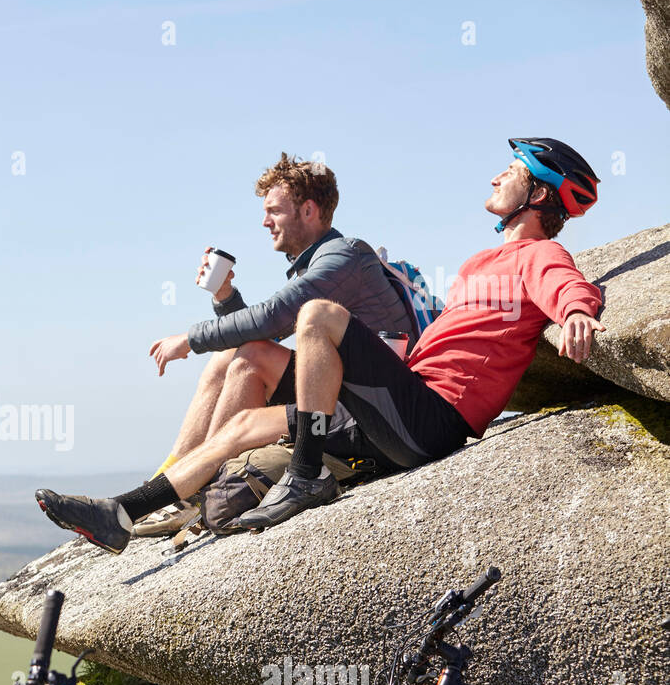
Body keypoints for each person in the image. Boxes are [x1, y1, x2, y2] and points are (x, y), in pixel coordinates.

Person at [37, 137, 604, 551]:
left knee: (319, 314)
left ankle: (305, 474)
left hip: (435, 419)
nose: (494, 179)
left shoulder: (539, 255)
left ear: (537, 192)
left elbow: (565, 285)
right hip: (400, 404)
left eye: (508, 172)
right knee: (242, 427)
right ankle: (124, 512)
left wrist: (577, 313)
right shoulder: (481, 261)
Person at [132, 152, 413, 537]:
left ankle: (192, 487)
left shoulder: (343, 258)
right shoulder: (318, 262)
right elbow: (266, 331)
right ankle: (173, 480)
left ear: (309, 210)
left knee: (248, 358)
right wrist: (225, 296)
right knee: (232, 357)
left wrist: (189, 340)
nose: (265, 222)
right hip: (342, 393)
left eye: (274, 211)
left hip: (368, 413)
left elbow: (271, 318)